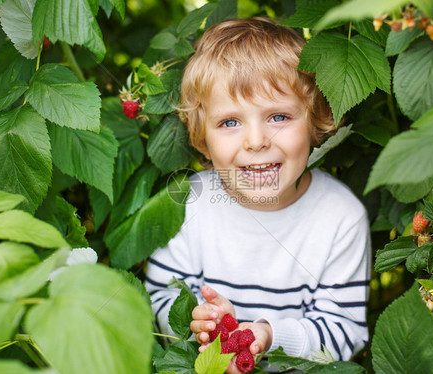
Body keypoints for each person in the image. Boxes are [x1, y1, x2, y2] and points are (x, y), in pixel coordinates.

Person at [144, 17, 370, 372]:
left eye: (278, 116)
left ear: (315, 120)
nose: (256, 140)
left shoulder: (340, 216)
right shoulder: (190, 204)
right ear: (203, 136)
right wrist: (201, 322)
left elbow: (344, 332)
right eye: (230, 122)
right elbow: (159, 296)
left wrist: (265, 337)